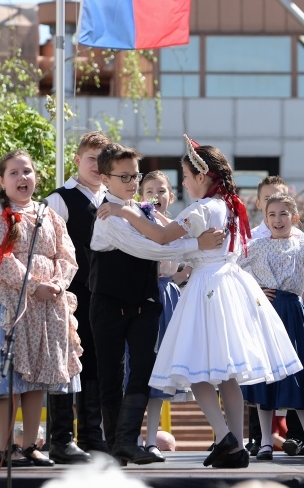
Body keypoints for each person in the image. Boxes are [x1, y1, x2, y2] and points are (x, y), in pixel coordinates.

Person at [96, 135, 301, 469]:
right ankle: (234, 443)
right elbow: (179, 231)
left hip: (207, 286)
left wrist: (125, 212)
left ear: (202, 177)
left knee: (197, 368)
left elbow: (163, 238)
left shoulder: (201, 208)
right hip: (231, 284)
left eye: (187, 177)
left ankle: (225, 436)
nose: (185, 184)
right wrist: (149, 213)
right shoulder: (229, 205)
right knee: (227, 373)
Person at [89, 142, 225, 466]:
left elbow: (165, 235)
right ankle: (117, 444)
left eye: (135, 176)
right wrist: (197, 243)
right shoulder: (108, 215)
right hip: (108, 304)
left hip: (145, 304)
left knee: (143, 372)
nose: (133, 183)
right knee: (111, 376)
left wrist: (192, 242)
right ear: (105, 179)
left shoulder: (141, 210)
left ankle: (128, 441)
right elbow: (148, 248)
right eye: (125, 177)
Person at [0, 149, 81, 468]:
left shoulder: (49, 215)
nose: (22, 178)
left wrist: (57, 283)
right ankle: (4, 447)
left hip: (47, 306)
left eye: (26, 171)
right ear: (2, 181)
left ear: (36, 177)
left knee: (36, 380)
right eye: (14, 173)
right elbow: (1, 259)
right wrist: (34, 286)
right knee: (11, 381)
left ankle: (29, 445)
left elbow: (67, 255)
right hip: (9, 303)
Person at [239, 193, 304, 461]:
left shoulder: (302, 244)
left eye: (283, 214)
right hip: (266, 314)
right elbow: (230, 271)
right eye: (272, 214)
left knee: (302, 372)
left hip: (293, 313)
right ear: (265, 218)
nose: (277, 220)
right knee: (265, 375)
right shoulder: (255, 246)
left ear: (294, 218)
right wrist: (254, 291)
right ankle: (266, 441)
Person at [44, 131, 111, 463]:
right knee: (66, 367)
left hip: (107, 297)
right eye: (91, 159)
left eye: (103, 160)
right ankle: (60, 438)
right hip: (70, 296)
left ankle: (92, 435)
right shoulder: (60, 198)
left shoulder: (116, 200)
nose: (97, 167)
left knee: (98, 366)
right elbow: (47, 249)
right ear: (77, 160)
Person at [131, 170, 192, 462]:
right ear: (141, 195)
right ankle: (126, 435)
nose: (156, 197)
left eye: (163, 191)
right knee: (134, 369)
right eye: (150, 191)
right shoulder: (137, 221)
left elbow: (180, 266)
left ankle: (152, 437)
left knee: (159, 373)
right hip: (140, 296)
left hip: (167, 297)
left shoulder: (177, 225)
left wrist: (185, 274)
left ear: (171, 195)